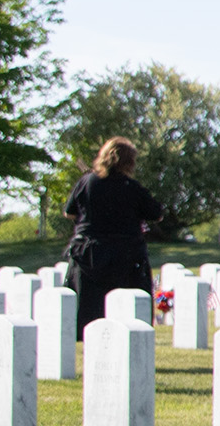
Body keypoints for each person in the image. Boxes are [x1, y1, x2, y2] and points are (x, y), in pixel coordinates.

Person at [60, 137, 162, 338]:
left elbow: (69, 212)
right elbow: (156, 214)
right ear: (128, 162)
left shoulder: (87, 182)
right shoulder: (131, 187)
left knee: (89, 308)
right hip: (124, 256)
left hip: (89, 255)